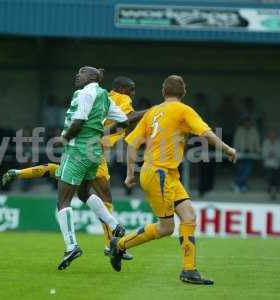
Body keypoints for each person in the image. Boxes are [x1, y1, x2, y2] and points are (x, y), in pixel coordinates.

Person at [109, 75, 237, 285]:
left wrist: (130, 173)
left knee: (188, 216)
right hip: (159, 173)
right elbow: (206, 133)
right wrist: (228, 149)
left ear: (163, 92)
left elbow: (132, 144)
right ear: (183, 92)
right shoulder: (183, 110)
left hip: (164, 174)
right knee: (166, 227)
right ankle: (120, 244)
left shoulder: (152, 112)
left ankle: (189, 270)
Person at [2, 75, 147, 260]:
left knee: (65, 175)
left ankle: (18, 173)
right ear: (124, 89)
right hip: (92, 150)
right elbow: (128, 118)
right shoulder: (121, 98)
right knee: (104, 196)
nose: (133, 93)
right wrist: (150, 111)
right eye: (132, 89)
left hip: (82, 148)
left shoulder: (101, 95)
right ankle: (111, 243)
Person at [233, 115, 260, 192]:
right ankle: (240, 185)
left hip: (250, 152)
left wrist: (257, 150)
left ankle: (241, 185)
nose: (247, 123)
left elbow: (256, 141)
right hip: (240, 152)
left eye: (248, 122)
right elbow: (236, 141)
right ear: (243, 122)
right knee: (240, 169)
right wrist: (234, 150)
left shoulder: (254, 130)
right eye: (245, 122)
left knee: (247, 170)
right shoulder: (239, 130)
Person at [262, 130, 280, 200]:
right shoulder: (265, 142)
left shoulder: (278, 143)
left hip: (276, 164)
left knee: (276, 178)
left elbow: (278, 153)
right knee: (269, 177)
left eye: (274, 135)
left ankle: (275, 190)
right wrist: (270, 154)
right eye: (271, 135)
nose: (272, 136)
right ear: (269, 136)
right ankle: (270, 190)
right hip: (268, 164)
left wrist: (273, 154)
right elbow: (264, 153)